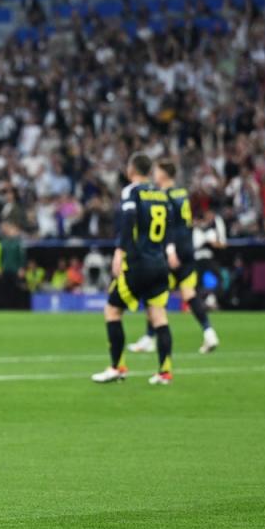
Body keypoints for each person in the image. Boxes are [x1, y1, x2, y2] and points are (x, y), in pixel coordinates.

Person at [92, 153, 176, 386]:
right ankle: (164, 372)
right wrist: (168, 252)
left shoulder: (132, 191)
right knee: (159, 316)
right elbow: (169, 227)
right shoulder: (161, 194)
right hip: (159, 264)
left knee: (112, 311)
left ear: (131, 169)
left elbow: (128, 221)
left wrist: (119, 251)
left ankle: (117, 367)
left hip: (138, 264)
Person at [128, 159, 219, 354]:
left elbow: (168, 225)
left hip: (172, 251)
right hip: (187, 247)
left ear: (163, 174)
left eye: (157, 171)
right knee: (189, 294)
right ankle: (209, 332)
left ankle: (149, 338)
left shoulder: (164, 195)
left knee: (153, 294)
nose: (154, 174)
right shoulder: (182, 192)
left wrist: (169, 251)